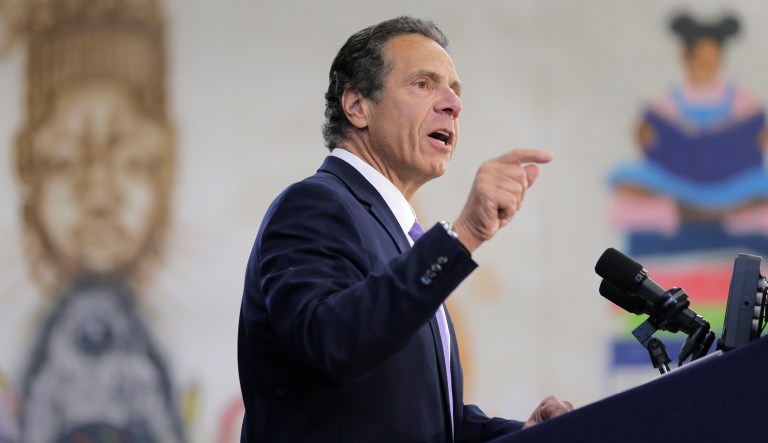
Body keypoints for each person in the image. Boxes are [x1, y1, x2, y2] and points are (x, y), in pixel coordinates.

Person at [237, 16, 572, 442]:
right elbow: (334, 344)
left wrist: (521, 435)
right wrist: (465, 233)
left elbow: (416, 414)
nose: (453, 103)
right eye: (424, 84)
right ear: (357, 106)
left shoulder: (399, 235)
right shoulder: (315, 206)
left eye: (454, 91)